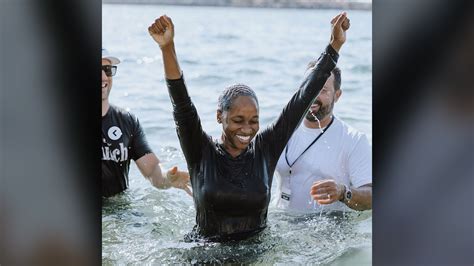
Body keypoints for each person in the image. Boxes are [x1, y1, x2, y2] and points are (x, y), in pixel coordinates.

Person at [147, 12, 349, 241]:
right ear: (219, 117)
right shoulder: (200, 151)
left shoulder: (265, 150)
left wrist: (334, 46)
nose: (247, 129)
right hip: (203, 256)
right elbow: (181, 103)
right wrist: (167, 46)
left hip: (257, 256)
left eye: (254, 121)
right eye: (237, 120)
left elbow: (301, 100)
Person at [275, 64, 372, 213]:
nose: (313, 95)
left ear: (337, 95)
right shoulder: (280, 130)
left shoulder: (354, 140)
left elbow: (371, 197)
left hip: (329, 228)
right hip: (282, 222)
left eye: (322, 90)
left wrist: (343, 192)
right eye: (309, 87)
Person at [101, 49, 191, 197]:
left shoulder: (126, 121)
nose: (104, 77)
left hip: (119, 212)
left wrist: (168, 178)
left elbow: (152, 171)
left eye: (107, 70)